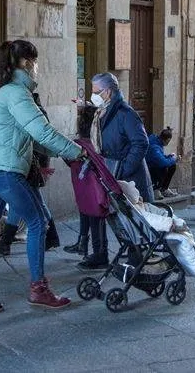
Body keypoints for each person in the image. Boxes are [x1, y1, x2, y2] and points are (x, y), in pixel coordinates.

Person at [0, 40, 84, 313]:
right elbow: (42, 131)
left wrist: (64, 152)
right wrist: (77, 152)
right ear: (26, 63)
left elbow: (30, 137)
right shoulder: (18, 93)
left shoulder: (0, 91)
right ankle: (39, 289)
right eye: (35, 62)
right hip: (6, 173)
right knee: (38, 221)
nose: (36, 67)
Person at [81, 72, 150, 271]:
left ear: (108, 92)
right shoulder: (102, 112)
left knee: (132, 219)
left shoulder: (125, 113)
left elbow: (141, 143)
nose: (93, 95)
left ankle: (136, 262)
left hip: (128, 177)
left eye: (96, 92)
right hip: (109, 172)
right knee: (106, 213)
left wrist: (124, 169)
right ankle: (100, 254)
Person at [0, 91, 61, 257]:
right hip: (28, 164)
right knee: (33, 200)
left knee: (21, 200)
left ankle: (7, 241)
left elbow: (40, 140)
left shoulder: (33, 112)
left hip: (30, 165)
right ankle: (50, 237)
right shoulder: (33, 111)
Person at [63, 102, 98, 256]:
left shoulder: (80, 144)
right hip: (90, 182)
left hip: (84, 182)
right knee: (87, 210)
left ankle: (92, 249)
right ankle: (83, 243)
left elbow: (68, 158)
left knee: (88, 211)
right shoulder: (96, 143)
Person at [147, 126, 179, 199]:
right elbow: (162, 162)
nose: (168, 143)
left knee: (172, 166)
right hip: (150, 167)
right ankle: (155, 189)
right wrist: (173, 159)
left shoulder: (158, 142)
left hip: (153, 164)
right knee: (164, 167)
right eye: (168, 142)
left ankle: (164, 188)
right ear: (166, 140)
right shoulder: (155, 146)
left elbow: (159, 158)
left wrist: (168, 157)